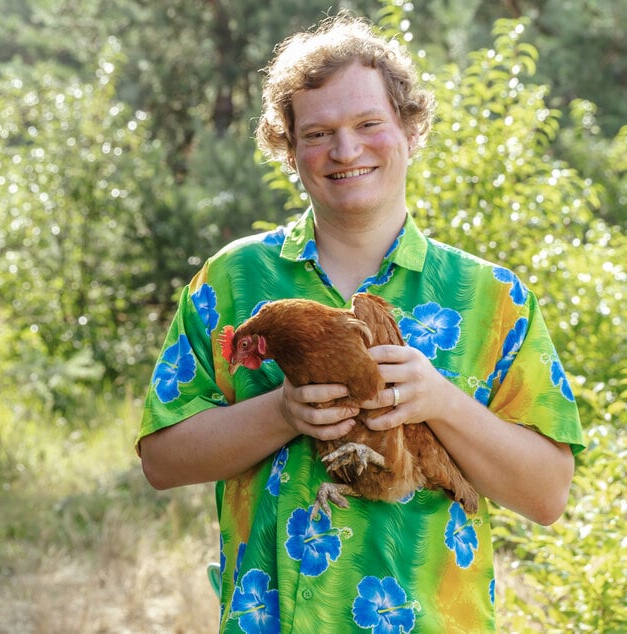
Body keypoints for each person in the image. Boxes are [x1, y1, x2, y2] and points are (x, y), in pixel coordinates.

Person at [137, 12, 584, 634]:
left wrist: (442, 402)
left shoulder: (492, 297)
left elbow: (547, 495)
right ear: (288, 149)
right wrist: (282, 413)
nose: (345, 151)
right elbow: (161, 460)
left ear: (408, 129)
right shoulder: (232, 282)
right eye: (317, 133)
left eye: (369, 123)